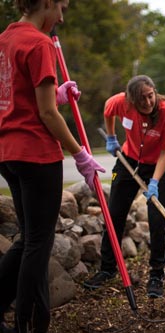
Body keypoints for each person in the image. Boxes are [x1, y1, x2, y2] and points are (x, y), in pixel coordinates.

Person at [0, 1, 105, 332]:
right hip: (35, 154)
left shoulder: (5, 39)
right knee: (38, 243)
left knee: (29, 238)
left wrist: (56, 95)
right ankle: (30, 325)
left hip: (8, 153)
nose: (61, 16)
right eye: (60, 7)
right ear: (45, 2)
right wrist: (80, 154)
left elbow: (18, 97)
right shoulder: (39, 42)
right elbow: (46, 115)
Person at [83, 75, 165, 299]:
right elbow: (108, 111)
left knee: (157, 220)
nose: (147, 102)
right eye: (141, 99)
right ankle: (107, 269)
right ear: (130, 100)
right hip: (128, 160)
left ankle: (157, 275)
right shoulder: (120, 102)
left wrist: (154, 182)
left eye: (150, 96)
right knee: (113, 214)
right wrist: (111, 137)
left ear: (155, 92)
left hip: (158, 165)